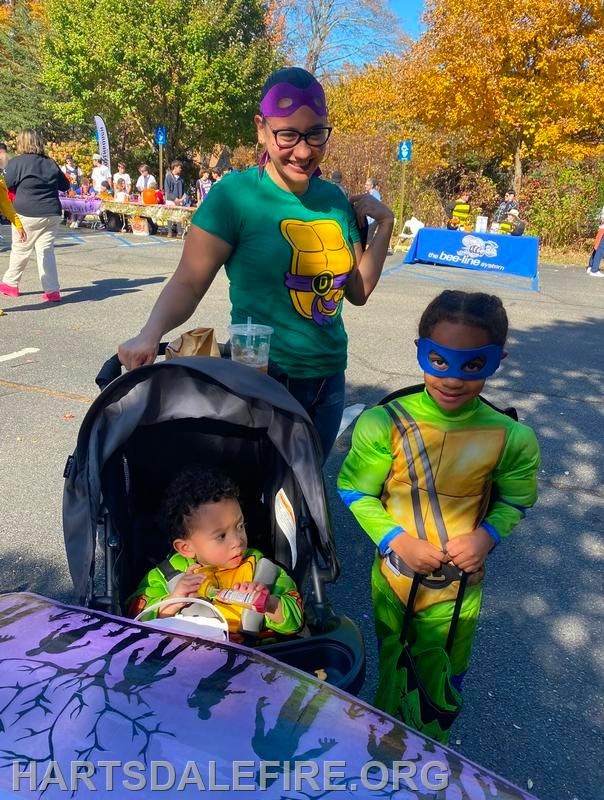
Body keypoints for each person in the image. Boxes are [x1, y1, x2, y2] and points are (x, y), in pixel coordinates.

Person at [118, 66, 394, 460]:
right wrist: (150, 332)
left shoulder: (334, 199)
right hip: (264, 379)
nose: (304, 150)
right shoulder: (235, 195)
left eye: (315, 133)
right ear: (261, 129)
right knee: (258, 499)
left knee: (307, 491)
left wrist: (385, 224)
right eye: (288, 135)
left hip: (329, 379)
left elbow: (358, 290)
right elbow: (189, 281)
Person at [337, 290, 540, 739]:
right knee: (393, 656)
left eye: (473, 366)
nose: (452, 379)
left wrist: (486, 537)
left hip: (458, 586)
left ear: (498, 359)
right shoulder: (382, 423)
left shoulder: (512, 438)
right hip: (394, 575)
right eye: (439, 360)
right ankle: (382, 741)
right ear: (421, 350)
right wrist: (398, 539)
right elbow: (354, 488)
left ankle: (425, 754)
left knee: (442, 671)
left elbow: (516, 499)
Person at [128, 468, 304, 641]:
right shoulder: (165, 577)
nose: (237, 541)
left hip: (254, 656)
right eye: (221, 536)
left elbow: (296, 621)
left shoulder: (263, 571)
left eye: (240, 526)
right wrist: (173, 601)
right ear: (186, 548)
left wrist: (269, 603)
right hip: (187, 660)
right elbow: (134, 619)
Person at [0, 129, 70, 302]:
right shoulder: (50, 162)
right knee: (46, 252)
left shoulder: (17, 163)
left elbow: (4, 185)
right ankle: (52, 291)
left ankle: (11, 284)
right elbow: (65, 185)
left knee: (21, 249)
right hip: (52, 213)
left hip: (27, 213)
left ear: (21, 143)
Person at [164, 159, 186, 238]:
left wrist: (182, 198)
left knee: (178, 216)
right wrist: (174, 199)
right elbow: (167, 190)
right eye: (179, 167)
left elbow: (183, 190)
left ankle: (179, 232)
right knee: (170, 215)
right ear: (175, 167)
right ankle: (169, 232)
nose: (181, 169)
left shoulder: (181, 179)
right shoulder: (168, 177)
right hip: (170, 200)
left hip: (179, 200)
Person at [586, 207, 604, 278]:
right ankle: (594, 270)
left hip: (602, 228)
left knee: (597, 247)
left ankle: (591, 266)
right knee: (601, 249)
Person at [364, 177, 381, 243]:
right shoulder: (366, 193)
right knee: (365, 236)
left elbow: (376, 205)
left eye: (367, 185)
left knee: (369, 237)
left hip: (373, 219)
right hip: (366, 219)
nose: (366, 186)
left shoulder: (375, 193)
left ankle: (370, 252)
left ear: (371, 186)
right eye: (365, 184)